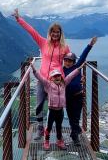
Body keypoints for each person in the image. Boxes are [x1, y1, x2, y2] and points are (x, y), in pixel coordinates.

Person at [13, 8, 70, 139]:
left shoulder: (65, 47)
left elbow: (69, 63)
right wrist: (18, 19)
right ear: (50, 33)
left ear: (60, 34)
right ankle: (40, 128)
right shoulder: (43, 42)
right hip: (43, 79)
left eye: (58, 32)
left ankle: (57, 132)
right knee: (39, 104)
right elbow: (31, 31)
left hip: (56, 81)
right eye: (53, 32)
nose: (55, 34)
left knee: (57, 107)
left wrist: (76, 76)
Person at [31, 64, 84, 150]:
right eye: (54, 76)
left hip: (60, 111)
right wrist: (33, 69)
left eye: (58, 76)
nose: (57, 77)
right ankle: (46, 142)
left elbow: (71, 76)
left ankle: (59, 141)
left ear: (61, 77)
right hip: (51, 111)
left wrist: (79, 68)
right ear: (51, 78)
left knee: (59, 127)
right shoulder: (48, 85)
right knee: (49, 127)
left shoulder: (64, 84)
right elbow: (40, 77)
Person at [63, 36, 98, 145]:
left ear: (74, 62)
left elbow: (83, 56)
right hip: (67, 97)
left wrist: (90, 45)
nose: (68, 62)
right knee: (70, 116)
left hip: (78, 96)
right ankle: (76, 132)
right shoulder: (61, 70)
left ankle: (75, 137)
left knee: (76, 117)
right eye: (66, 60)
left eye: (70, 61)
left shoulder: (77, 67)